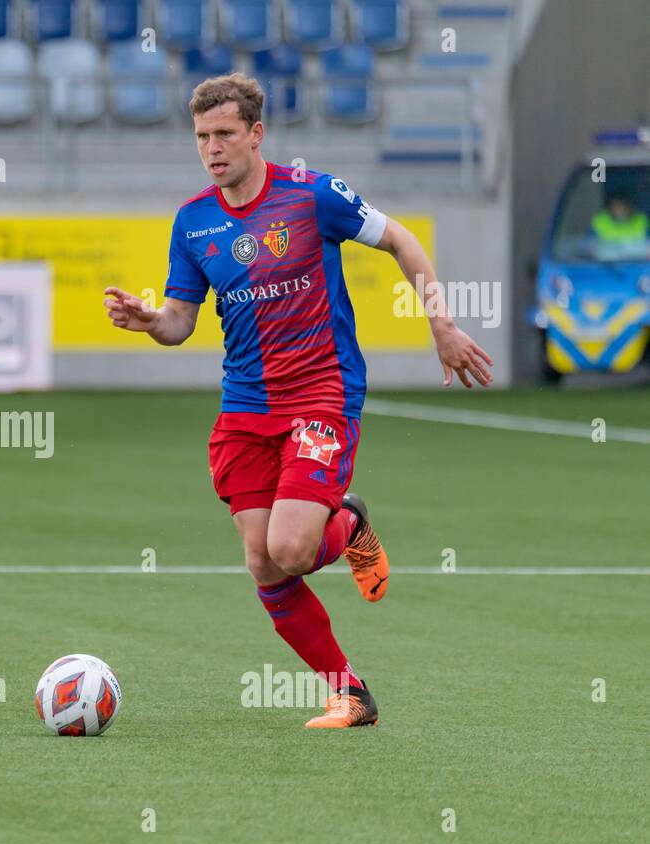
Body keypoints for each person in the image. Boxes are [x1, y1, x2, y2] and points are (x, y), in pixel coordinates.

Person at [103, 74, 493, 728]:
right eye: (202, 137)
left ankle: (347, 526)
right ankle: (351, 691)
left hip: (320, 395)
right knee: (262, 561)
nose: (213, 148)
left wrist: (441, 324)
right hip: (244, 410)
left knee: (288, 547)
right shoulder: (194, 223)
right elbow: (180, 322)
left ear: (257, 134)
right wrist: (152, 322)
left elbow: (403, 241)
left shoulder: (312, 196)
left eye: (225, 134)